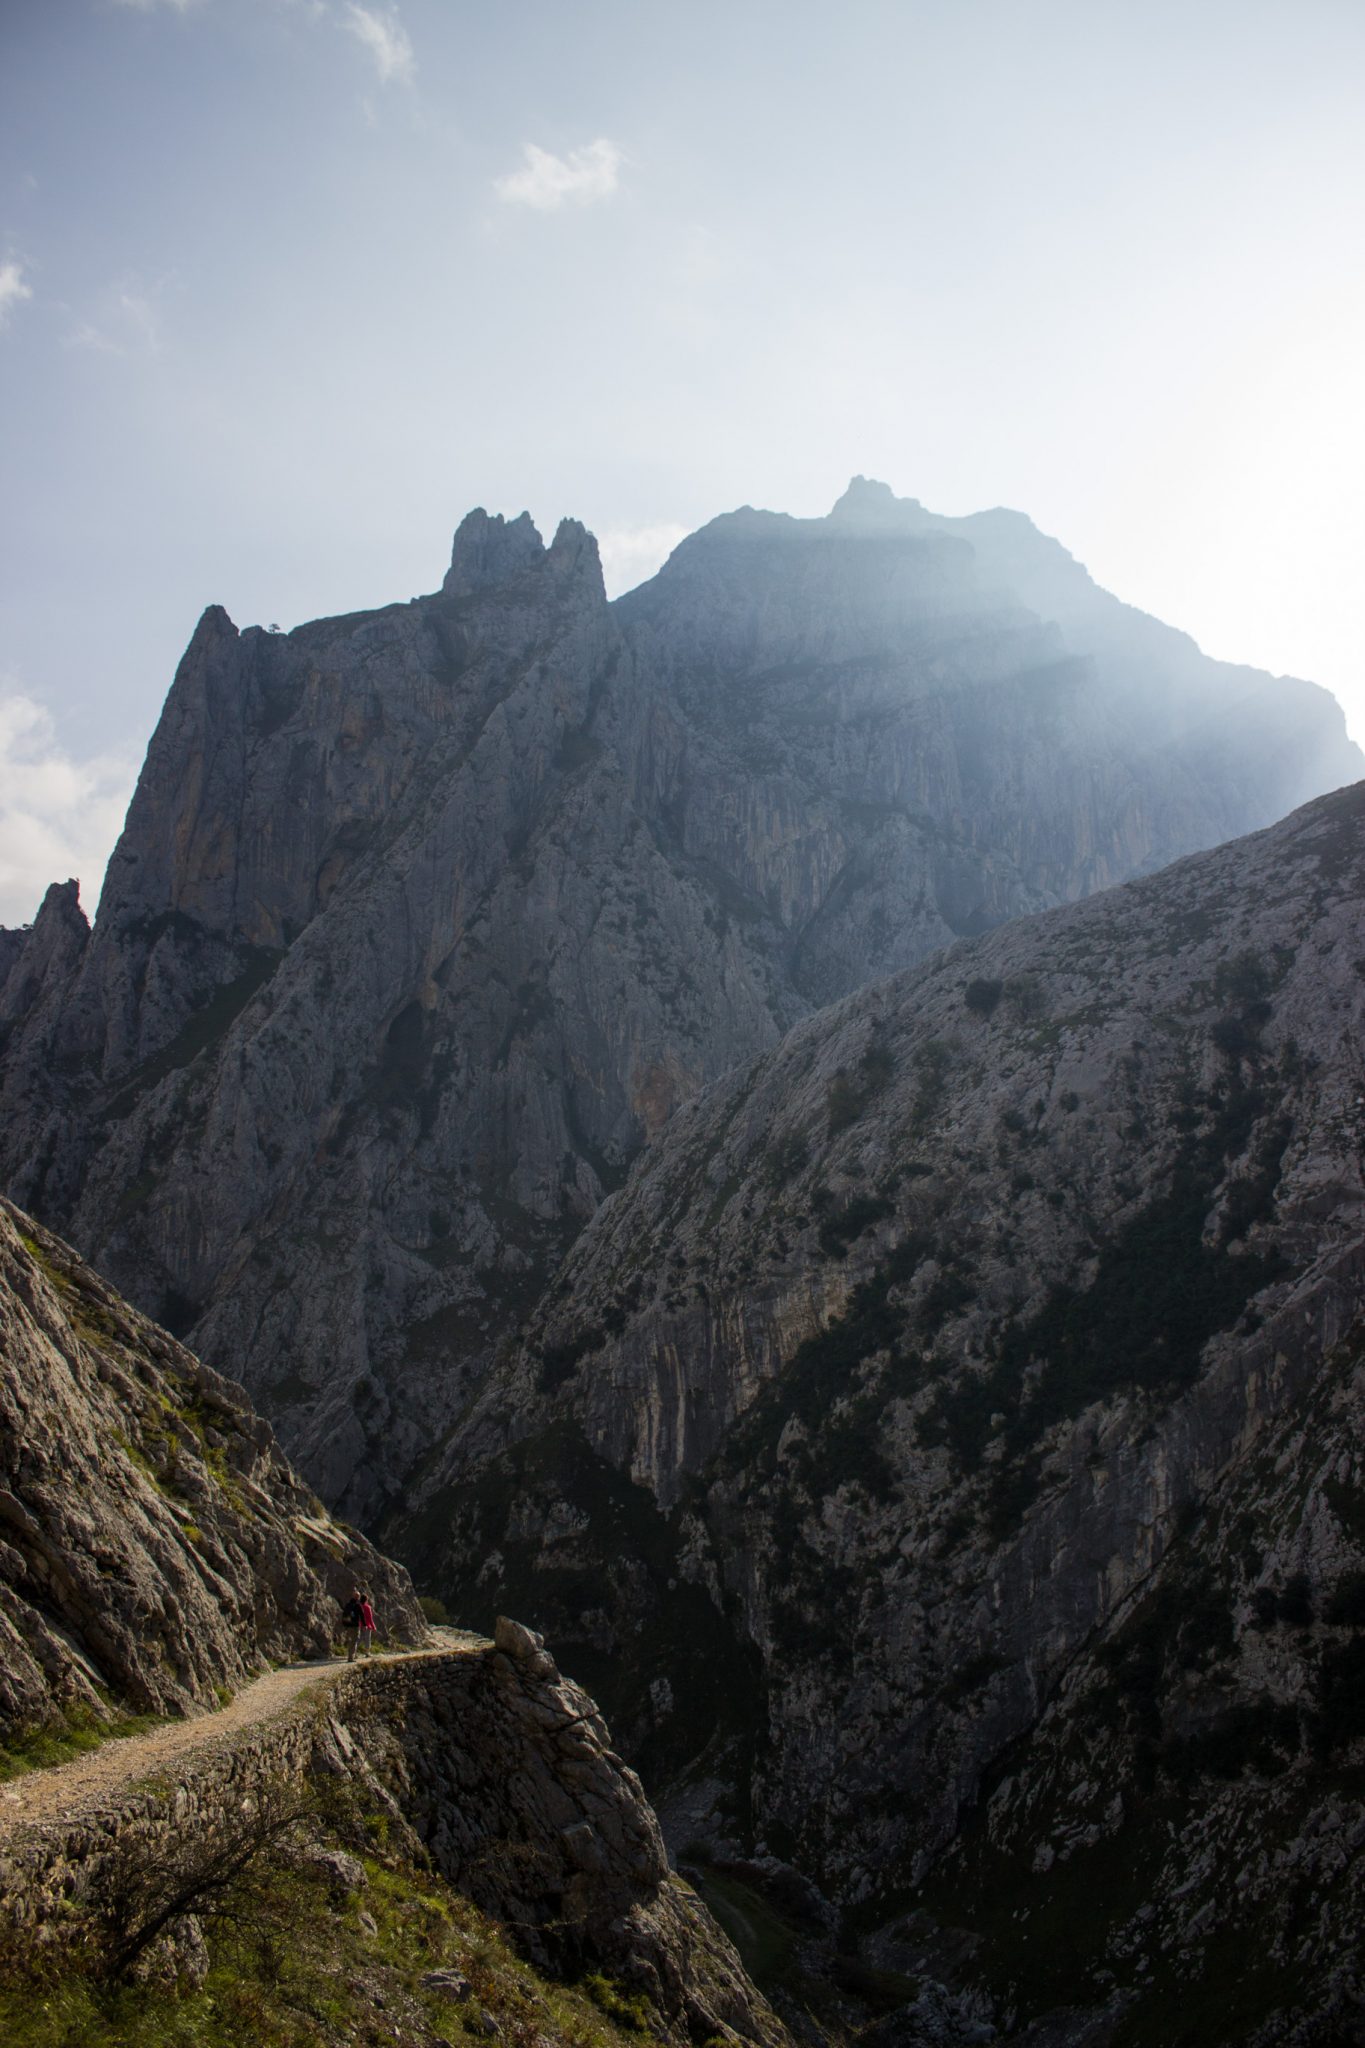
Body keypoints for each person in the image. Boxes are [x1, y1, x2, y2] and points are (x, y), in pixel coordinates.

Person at [342, 1587, 364, 1661]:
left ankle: (351, 1654)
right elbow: (361, 1615)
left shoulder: (348, 1604)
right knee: (355, 1640)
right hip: (355, 1625)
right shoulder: (358, 1605)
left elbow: (344, 1614)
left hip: (348, 1625)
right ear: (358, 1597)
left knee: (350, 1640)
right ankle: (351, 1657)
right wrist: (364, 1625)